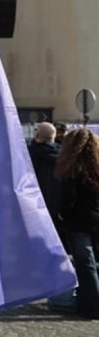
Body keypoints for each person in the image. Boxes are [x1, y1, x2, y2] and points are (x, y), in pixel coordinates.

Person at [55, 127, 99, 319]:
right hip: (96, 219)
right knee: (94, 264)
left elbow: (68, 199)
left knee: (85, 265)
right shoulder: (96, 167)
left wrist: (63, 216)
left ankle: (91, 305)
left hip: (78, 222)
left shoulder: (72, 169)